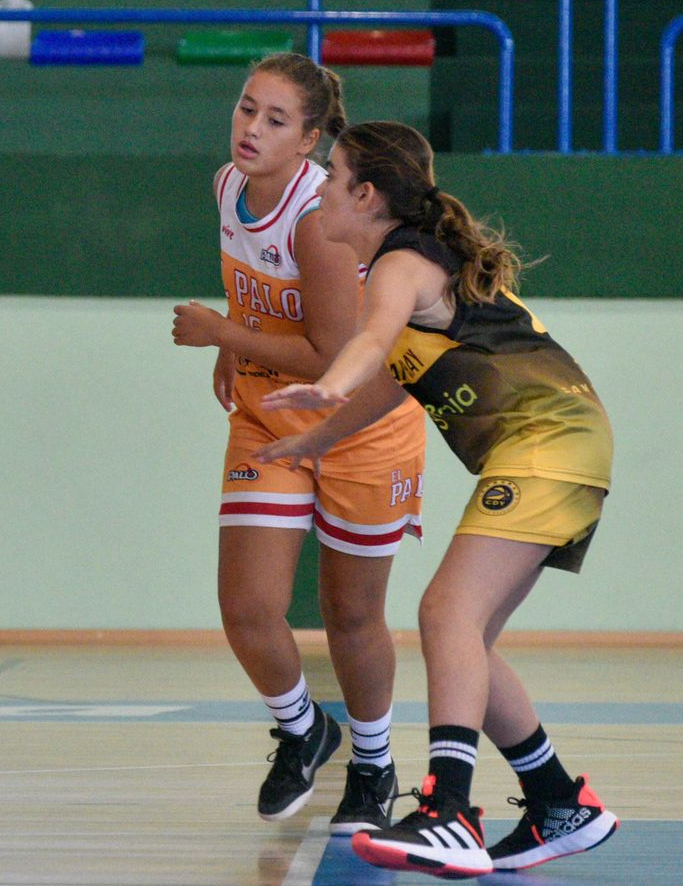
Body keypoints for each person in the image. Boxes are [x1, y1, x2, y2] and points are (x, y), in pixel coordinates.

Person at [255, 120, 618, 878]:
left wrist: (329, 383)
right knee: (467, 639)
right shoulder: (415, 263)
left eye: (332, 177)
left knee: (444, 612)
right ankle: (559, 802)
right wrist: (317, 438)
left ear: (365, 195)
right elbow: (395, 381)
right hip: (566, 443)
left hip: (548, 440)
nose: (319, 190)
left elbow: (368, 347)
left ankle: (448, 810)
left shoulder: (400, 263)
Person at [170, 53, 425, 833]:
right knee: (247, 608)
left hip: (360, 425)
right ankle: (303, 728)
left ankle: (375, 766)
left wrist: (225, 334)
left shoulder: (317, 221)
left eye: (275, 119)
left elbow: (334, 359)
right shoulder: (227, 185)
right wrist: (233, 334)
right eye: (247, 108)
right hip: (267, 414)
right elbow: (252, 283)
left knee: (351, 614)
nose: (251, 128)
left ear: (310, 139)